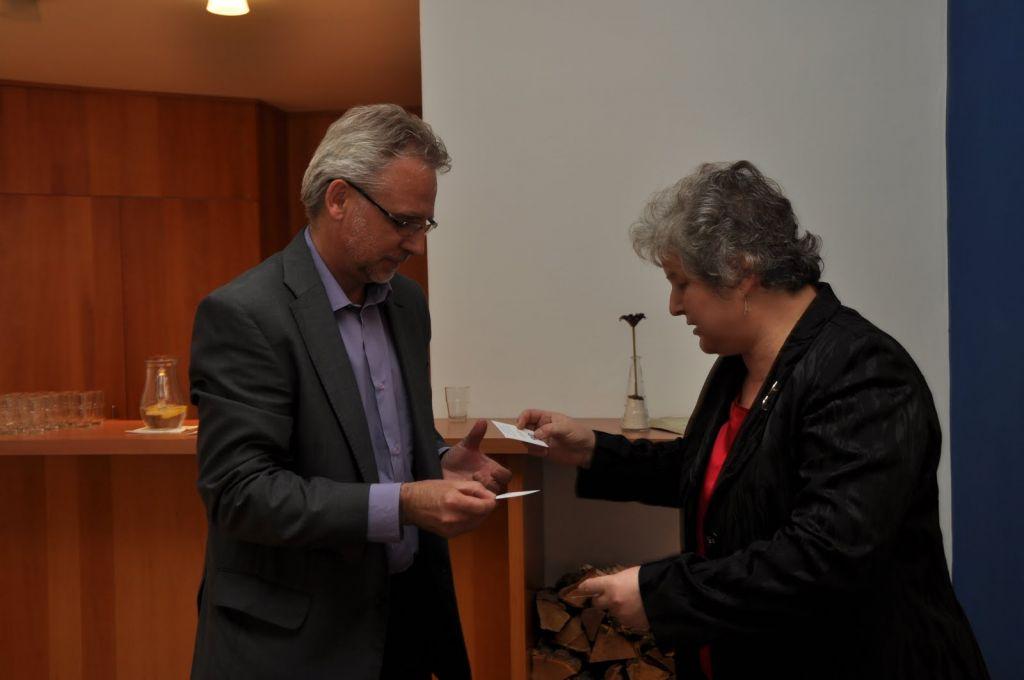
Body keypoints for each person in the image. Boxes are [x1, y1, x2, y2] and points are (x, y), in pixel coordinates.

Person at [518, 161, 989, 679]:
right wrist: (593, 450)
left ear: (740, 273)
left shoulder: (863, 371)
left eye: (681, 283)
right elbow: (714, 475)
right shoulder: (738, 365)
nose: (673, 306)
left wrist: (663, 594)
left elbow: (824, 555)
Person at [189, 104, 511, 680]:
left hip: (404, 623)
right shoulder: (247, 314)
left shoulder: (406, 304)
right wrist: (405, 502)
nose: (416, 246)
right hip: (294, 644)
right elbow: (240, 493)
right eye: (403, 222)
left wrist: (436, 460)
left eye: (425, 225)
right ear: (339, 199)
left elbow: (378, 437)